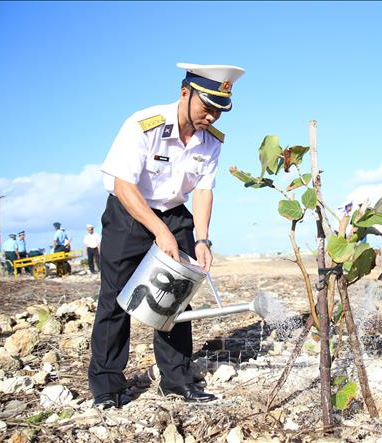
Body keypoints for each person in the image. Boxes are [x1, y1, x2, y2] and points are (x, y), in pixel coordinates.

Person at [87, 63, 245, 409]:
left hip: (175, 214)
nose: (213, 117)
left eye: (220, 111)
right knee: (116, 299)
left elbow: (203, 190)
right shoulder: (144, 126)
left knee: (176, 297)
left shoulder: (212, 141)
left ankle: (176, 380)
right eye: (207, 107)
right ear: (185, 93)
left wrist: (202, 240)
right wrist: (158, 232)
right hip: (129, 212)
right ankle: (107, 386)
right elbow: (122, 185)